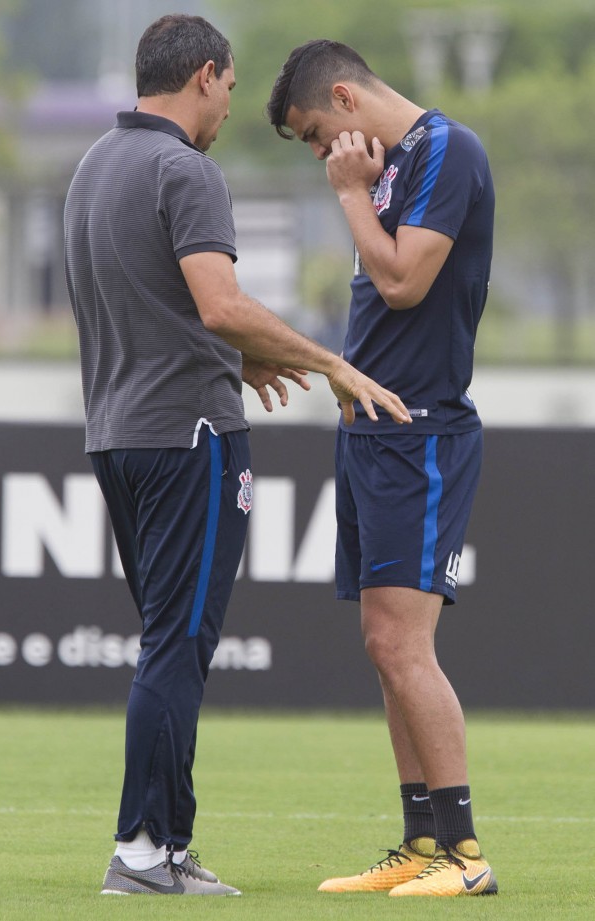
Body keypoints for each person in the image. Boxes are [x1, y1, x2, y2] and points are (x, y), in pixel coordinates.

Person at [64, 15, 411, 898]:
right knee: (177, 647)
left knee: (164, 645)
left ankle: (167, 847)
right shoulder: (185, 169)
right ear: (208, 77)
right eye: (227, 89)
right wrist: (327, 359)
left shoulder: (92, 167)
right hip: (191, 438)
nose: (226, 107)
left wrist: (233, 356)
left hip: (116, 434)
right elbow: (218, 303)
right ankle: (142, 850)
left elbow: (147, 305)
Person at [267, 40, 496, 898]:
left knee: (406, 644)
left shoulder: (446, 151)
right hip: (369, 431)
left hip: (420, 431)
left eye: (318, 133)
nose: (325, 152)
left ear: (344, 97)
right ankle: (418, 837)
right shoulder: (388, 169)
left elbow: (402, 281)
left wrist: (351, 193)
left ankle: (465, 854)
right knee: (380, 644)